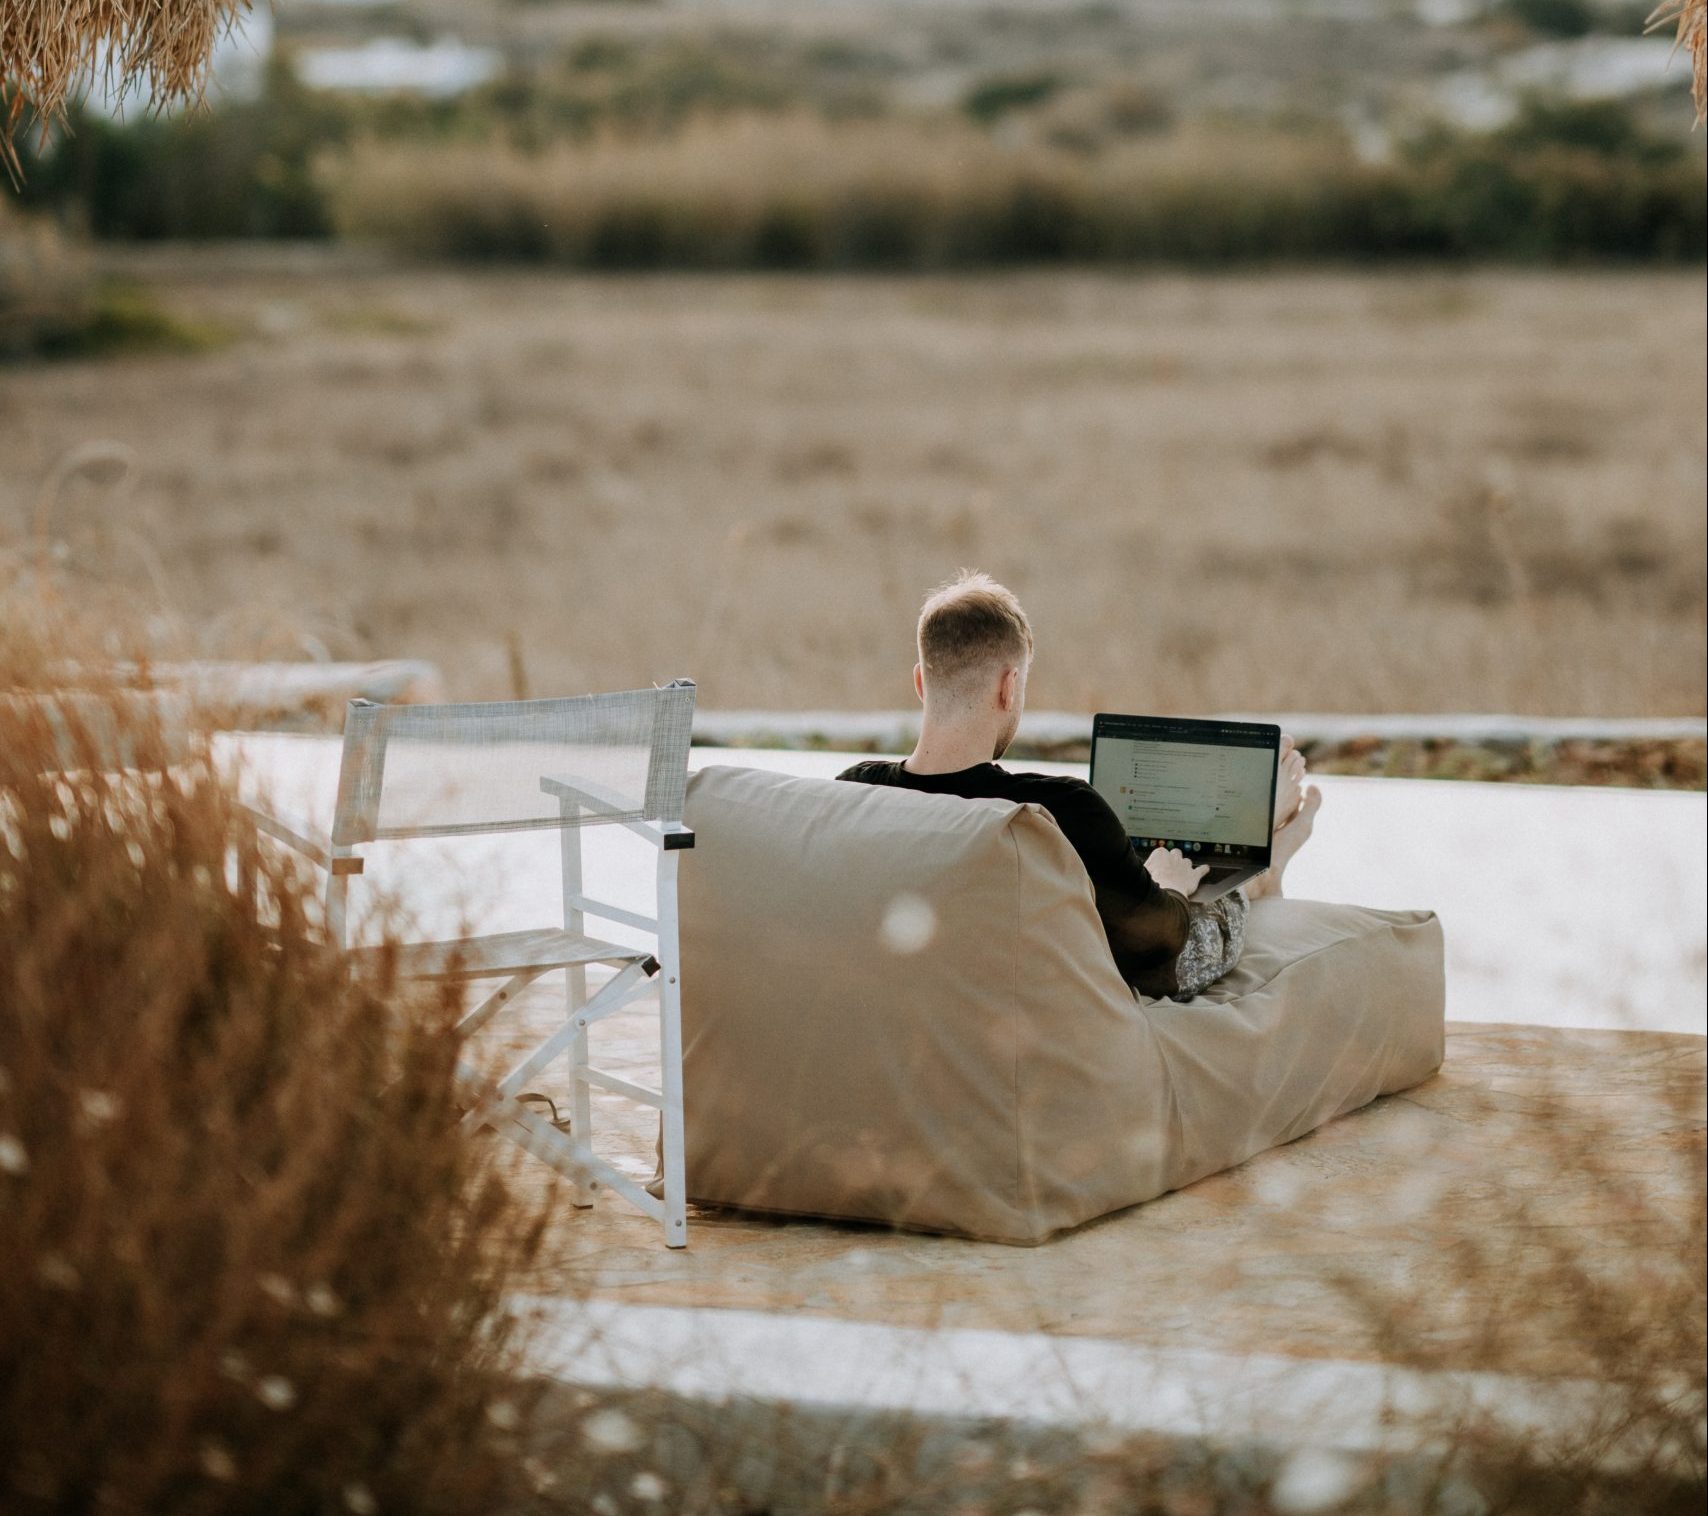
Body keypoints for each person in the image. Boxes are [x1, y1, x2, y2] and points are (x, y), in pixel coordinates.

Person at [838, 570, 1322, 1000]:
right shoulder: (1057, 810)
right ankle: (1265, 867)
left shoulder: (855, 792)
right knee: (1202, 917)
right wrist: (1170, 887)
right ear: (1009, 687)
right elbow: (1166, 954)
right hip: (1115, 956)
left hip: (926, 990)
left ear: (922, 682)